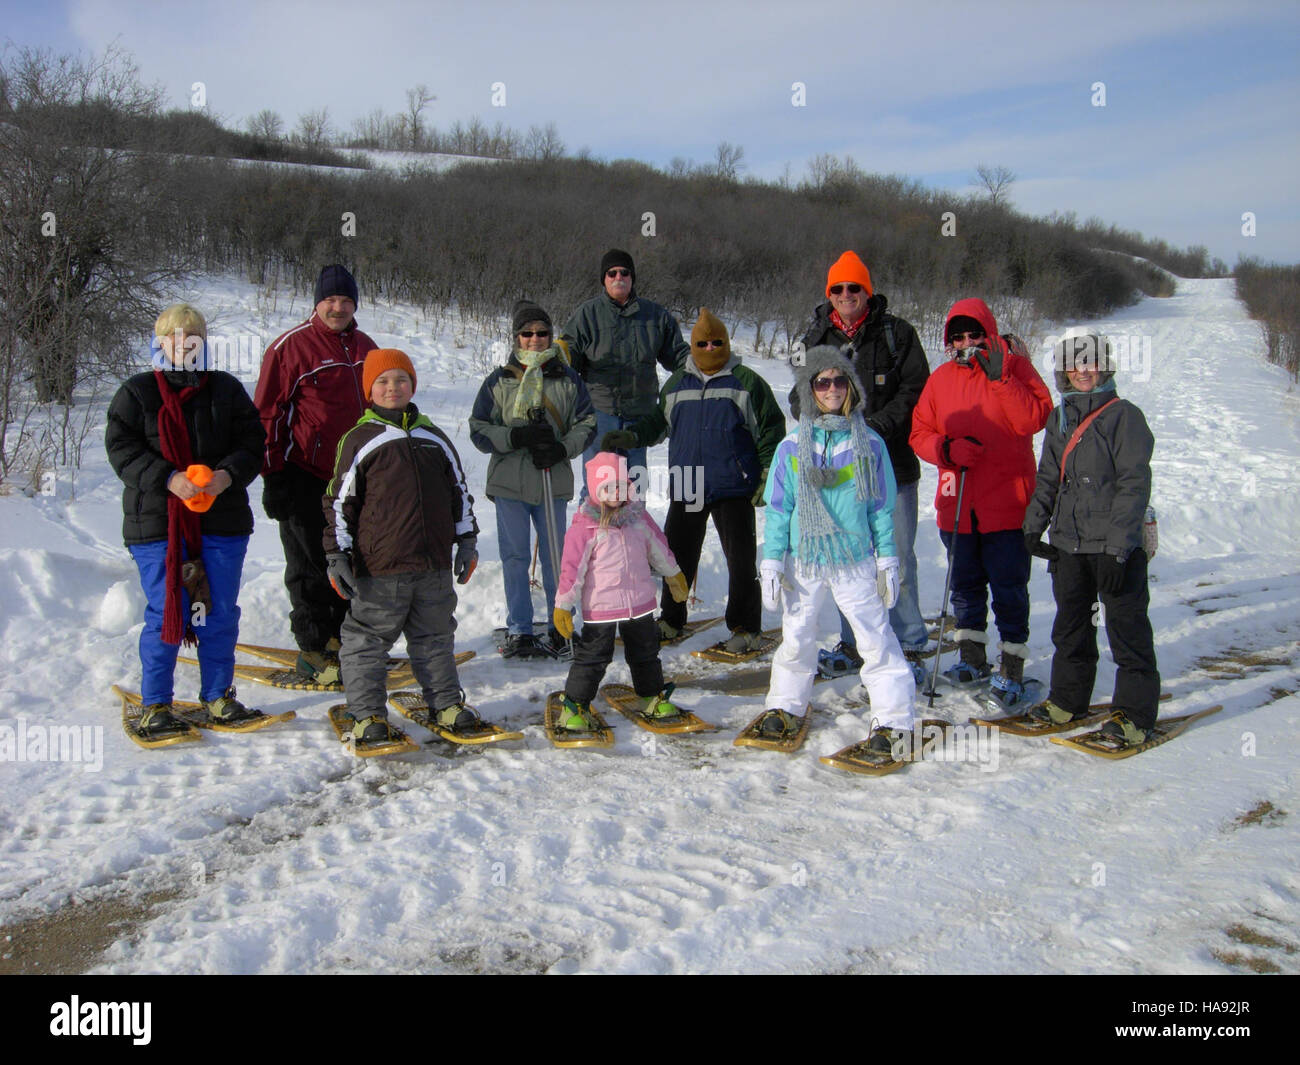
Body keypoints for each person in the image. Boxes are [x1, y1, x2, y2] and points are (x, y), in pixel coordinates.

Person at [106, 303, 265, 733]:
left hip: (221, 523)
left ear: (203, 343)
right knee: (167, 613)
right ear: (160, 343)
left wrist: (227, 475)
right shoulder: (137, 393)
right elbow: (122, 451)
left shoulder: (227, 390)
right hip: (158, 525)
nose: (183, 344)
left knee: (218, 613)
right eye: (174, 337)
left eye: (192, 337)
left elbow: (254, 441)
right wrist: (168, 478)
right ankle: (156, 703)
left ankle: (218, 695)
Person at [757, 347, 916, 749]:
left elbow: (881, 507)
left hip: (854, 559)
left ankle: (893, 719)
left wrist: (888, 558)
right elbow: (779, 507)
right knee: (795, 636)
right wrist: (773, 561)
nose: (831, 389)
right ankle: (786, 705)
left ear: (852, 388)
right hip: (805, 560)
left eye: (839, 380)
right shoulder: (792, 447)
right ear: (810, 390)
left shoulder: (872, 445)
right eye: (822, 382)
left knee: (876, 638)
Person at [603, 308, 785, 652]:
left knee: (740, 561)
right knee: (675, 558)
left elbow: (771, 431)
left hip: (734, 485)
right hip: (688, 482)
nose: (711, 348)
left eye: (718, 342)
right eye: (703, 343)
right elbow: (658, 423)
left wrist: (765, 475)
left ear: (727, 343)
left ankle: (745, 627)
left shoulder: (746, 382)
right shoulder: (676, 384)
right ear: (693, 345)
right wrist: (632, 437)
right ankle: (671, 620)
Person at [322, 349, 480, 743]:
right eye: (383, 381)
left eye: (401, 380)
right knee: (367, 642)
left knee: (435, 637)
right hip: (380, 568)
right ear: (369, 391)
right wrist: (336, 554)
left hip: (434, 565)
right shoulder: (360, 439)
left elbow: (459, 492)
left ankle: (445, 704)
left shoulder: (434, 437)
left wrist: (468, 540)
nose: (393, 387)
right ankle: (367, 715)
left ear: (413, 385)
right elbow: (339, 502)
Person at [789, 252, 932, 681]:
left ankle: (910, 644)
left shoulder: (897, 334)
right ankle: (855, 643)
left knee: (898, 557)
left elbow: (916, 389)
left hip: (893, 466)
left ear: (867, 291)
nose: (847, 295)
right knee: (850, 560)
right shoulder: (813, 337)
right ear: (828, 293)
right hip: (839, 471)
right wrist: (830, 429)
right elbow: (798, 398)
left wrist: (877, 428)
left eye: (855, 288)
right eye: (838, 288)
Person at [909, 298, 1052, 706]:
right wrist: (947, 449)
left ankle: (1011, 669)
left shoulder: (1015, 366)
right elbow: (919, 432)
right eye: (958, 337)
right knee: (965, 587)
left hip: (1006, 504)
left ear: (988, 333)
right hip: (957, 507)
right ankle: (972, 658)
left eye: (974, 334)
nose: (966, 343)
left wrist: (1002, 379)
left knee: (1009, 588)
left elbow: (1033, 419)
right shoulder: (940, 380)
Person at [1022, 333, 1159, 746]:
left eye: (1091, 361)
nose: (1084, 369)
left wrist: (1120, 547)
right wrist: (1033, 525)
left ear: (1104, 366)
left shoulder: (1125, 416)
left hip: (1115, 547)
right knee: (1071, 628)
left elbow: (1134, 484)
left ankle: (1134, 716)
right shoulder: (1059, 417)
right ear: (1064, 370)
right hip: (1069, 543)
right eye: (1075, 363)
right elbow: (1048, 476)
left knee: (1126, 630)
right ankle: (1068, 700)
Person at [254, 264, 375, 684]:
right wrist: (274, 475)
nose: (338, 307)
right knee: (308, 561)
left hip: (355, 477)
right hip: (304, 474)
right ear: (317, 303)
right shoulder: (291, 348)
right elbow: (268, 413)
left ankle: (346, 641)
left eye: (345, 300)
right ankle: (313, 648)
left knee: (352, 560)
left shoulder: (366, 348)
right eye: (330, 300)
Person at [469, 300, 596, 658]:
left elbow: (586, 425)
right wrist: (514, 437)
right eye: (527, 333)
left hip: (551, 479)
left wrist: (561, 448)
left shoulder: (568, 380)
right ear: (517, 337)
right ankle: (520, 629)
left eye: (542, 333)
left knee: (557, 558)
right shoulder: (500, 380)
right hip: (510, 481)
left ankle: (561, 624)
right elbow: (478, 428)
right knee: (515, 556)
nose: (535, 339)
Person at [550, 453, 690, 730]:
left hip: (639, 603)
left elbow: (659, 548)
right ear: (595, 490)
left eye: (621, 486)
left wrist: (673, 574)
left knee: (646, 652)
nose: (616, 493)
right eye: (608, 488)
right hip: (601, 607)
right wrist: (563, 604)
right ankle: (574, 706)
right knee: (593, 656)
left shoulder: (638, 517)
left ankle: (651, 696)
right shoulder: (586, 526)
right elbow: (571, 568)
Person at [561, 248, 689, 493]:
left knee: (634, 490)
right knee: (597, 490)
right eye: (611, 273)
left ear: (632, 278)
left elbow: (678, 357)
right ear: (604, 279)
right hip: (600, 413)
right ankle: (593, 532)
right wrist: (560, 356)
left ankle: (633, 532)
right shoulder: (587, 314)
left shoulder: (655, 315)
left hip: (639, 416)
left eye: (624, 272)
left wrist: (706, 362)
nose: (618, 277)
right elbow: (569, 355)